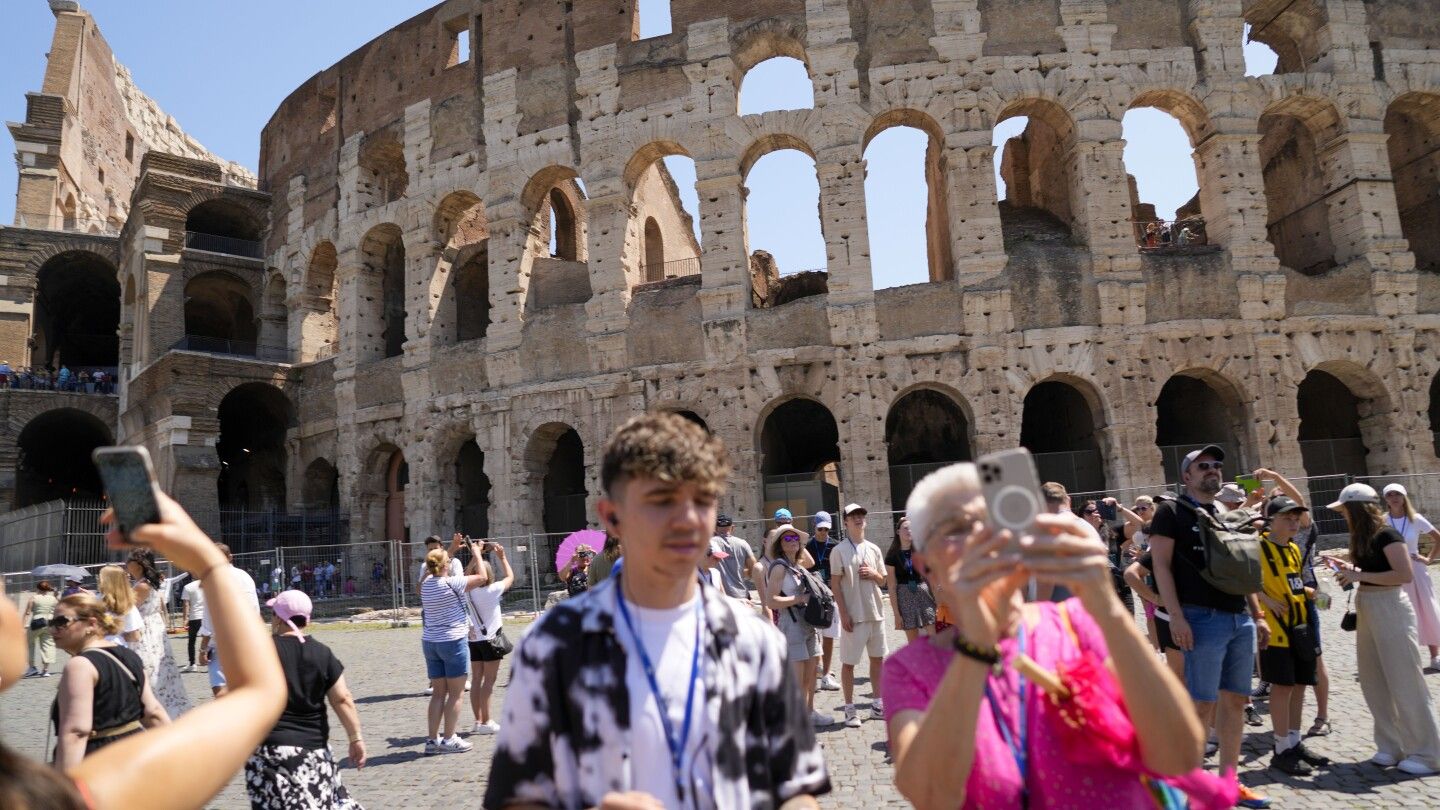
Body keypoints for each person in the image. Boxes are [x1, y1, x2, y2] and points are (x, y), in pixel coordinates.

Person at [486, 412, 830, 809]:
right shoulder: (552, 647)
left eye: (701, 501)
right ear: (613, 517)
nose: (685, 520)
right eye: (662, 501)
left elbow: (795, 793)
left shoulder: (755, 641)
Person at [884, 462, 1209, 810]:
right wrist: (977, 645)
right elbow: (930, 795)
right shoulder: (909, 669)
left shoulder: (1076, 626)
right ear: (925, 565)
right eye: (956, 532)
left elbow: (1180, 752)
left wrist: (1106, 606)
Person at [1147, 445, 1271, 809]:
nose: (1212, 470)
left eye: (1217, 465)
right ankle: (1187, 786)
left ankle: (1229, 782)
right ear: (1187, 476)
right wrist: (1176, 616)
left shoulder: (1224, 512)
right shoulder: (1170, 511)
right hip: (1199, 616)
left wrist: (1257, 614)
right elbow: (1161, 567)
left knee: (1235, 700)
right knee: (1201, 704)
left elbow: (1241, 569)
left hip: (1238, 617)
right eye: (1203, 467)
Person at [1326, 483, 1440, 775]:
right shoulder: (1363, 536)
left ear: (1356, 510)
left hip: (1390, 605)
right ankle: (1391, 745)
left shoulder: (1387, 533)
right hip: (1368, 604)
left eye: (1344, 511)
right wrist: (1348, 568)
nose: (1343, 516)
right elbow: (1370, 569)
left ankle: (1428, 753)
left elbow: (1402, 574)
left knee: (1405, 679)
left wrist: (1357, 573)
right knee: (1373, 679)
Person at [244, 589, 365, 810]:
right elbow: (342, 698)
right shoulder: (323, 653)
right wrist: (355, 738)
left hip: (270, 751)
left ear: (279, 618)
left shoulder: (261, 651)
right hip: (314, 749)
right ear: (306, 621)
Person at [49, 594, 172, 768]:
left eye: (61, 622)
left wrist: (65, 785)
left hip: (99, 761)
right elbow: (153, 713)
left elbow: (76, 732)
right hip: (136, 756)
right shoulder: (128, 655)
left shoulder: (80, 665)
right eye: (52, 623)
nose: (53, 630)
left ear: (91, 624)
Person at [1255, 496, 1330, 776]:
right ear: (1271, 521)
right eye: (1287, 518)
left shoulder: (1294, 550)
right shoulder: (1259, 547)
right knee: (1282, 687)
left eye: (1296, 518)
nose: (1293, 523)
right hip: (1275, 632)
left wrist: (1315, 594)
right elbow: (1244, 581)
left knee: (1299, 684)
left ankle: (1294, 742)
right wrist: (1266, 600)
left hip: (1299, 627)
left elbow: (1295, 583)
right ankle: (1280, 748)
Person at [418, 544, 489, 754]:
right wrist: (476, 553)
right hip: (452, 641)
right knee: (456, 694)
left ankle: (432, 740)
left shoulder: (426, 584)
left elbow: (436, 569)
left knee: (438, 694)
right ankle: (449, 738)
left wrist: (448, 552)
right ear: (445, 565)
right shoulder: (452, 583)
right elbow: (483, 577)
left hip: (431, 641)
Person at [831, 502, 890, 728]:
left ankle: (877, 704)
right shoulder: (839, 551)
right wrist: (843, 613)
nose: (858, 519)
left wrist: (874, 573)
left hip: (876, 614)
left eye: (861, 515)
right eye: (853, 516)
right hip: (854, 616)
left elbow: (883, 580)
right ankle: (849, 707)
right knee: (848, 663)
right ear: (845, 521)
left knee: (878, 659)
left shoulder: (874, 548)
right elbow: (835, 584)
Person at [765, 524, 830, 727]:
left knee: (810, 676)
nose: (792, 541)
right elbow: (771, 601)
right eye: (786, 539)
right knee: (798, 679)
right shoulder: (778, 567)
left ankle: (809, 712)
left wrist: (800, 547)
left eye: (795, 538)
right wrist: (798, 598)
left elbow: (810, 562)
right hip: (791, 624)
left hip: (808, 623)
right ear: (779, 544)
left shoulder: (798, 565)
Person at [1380, 483, 1440, 670]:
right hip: (1394, 571)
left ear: (1404, 496)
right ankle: (1405, 656)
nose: (1394, 497)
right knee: (1399, 612)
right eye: (1390, 495)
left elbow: (1438, 538)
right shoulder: (1382, 522)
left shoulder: (1416, 519)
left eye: (1397, 494)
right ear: (1386, 499)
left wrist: (1429, 558)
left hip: (1416, 569)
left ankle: (1435, 655)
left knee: (1426, 608)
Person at [125, 549, 191, 719]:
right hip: (153, 627)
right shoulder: (146, 582)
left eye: (129, 560)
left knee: (149, 668)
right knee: (159, 669)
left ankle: (156, 709)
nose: (126, 563)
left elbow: (126, 608)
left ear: (139, 564)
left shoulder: (142, 585)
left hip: (145, 628)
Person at [198, 544, 262, 697]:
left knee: (220, 688)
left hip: (222, 640)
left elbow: (209, 617)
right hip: (247, 636)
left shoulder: (211, 579)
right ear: (230, 557)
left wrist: (202, 649)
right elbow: (255, 608)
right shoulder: (245, 576)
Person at [465, 540, 514, 735]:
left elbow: (465, 576)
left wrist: (475, 554)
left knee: (476, 679)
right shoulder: (493, 590)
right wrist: (502, 558)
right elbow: (510, 576)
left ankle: (477, 721)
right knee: (489, 682)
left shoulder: (467, 590)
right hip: (491, 639)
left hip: (473, 640)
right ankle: (487, 721)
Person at [1123, 553, 1185, 678]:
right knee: (1179, 673)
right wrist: (1155, 599)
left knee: (1181, 673)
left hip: (1202, 617)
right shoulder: (1164, 548)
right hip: (1169, 617)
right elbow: (1130, 574)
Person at [806, 510, 843, 691]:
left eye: (827, 530)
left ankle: (826, 674)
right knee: (814, 636)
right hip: (813, 597)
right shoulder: (807, 546)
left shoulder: (836, 546)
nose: (823, 532)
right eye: (820, 529)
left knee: (829, 637)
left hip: (831, 596)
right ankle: (815, 673)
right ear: (815, 527)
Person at [886, 515, 937, 642]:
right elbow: (891, 587)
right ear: (898, 532)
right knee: (914, 643)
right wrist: (897, 615)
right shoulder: (892, 556)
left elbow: (931, 579)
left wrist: (938, 602)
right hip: (905, 598)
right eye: (906, 528)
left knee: (934, 639)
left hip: (924, 596)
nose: (910, 531)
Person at [711, 514, 761, 601]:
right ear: (732, 527)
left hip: (718, 597)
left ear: (715, 528)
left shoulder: (710, 544)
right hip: (741, 595)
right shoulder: (742, 543)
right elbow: (754, 568)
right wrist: (741, 573)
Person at [96, 566, 142, 648]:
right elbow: (135, 636)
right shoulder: (127, 605)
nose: (98, 580)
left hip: (97, 647)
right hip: (117, 648)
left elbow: (135, 636)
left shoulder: (96, 600)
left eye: (100, 577)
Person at [20, 580, 58, 678]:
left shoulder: (33, 598)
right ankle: (45, 670)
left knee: (29, 643)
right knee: (48, 644)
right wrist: (56, 595)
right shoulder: (53, 599)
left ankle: (32, 667)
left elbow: (27, 613)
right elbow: (57, 608)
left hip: (37, 622)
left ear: (37, 588)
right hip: (49, 622)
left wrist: (22, 626)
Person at [181, 576, 205, 673]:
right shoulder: (206, 583)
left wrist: (185, 618)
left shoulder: (188, 587)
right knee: (211, 639)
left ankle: (192, 663)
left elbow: (186, 604)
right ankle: (212, 660)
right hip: (206, 615)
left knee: (192, 641)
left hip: (194, 616)